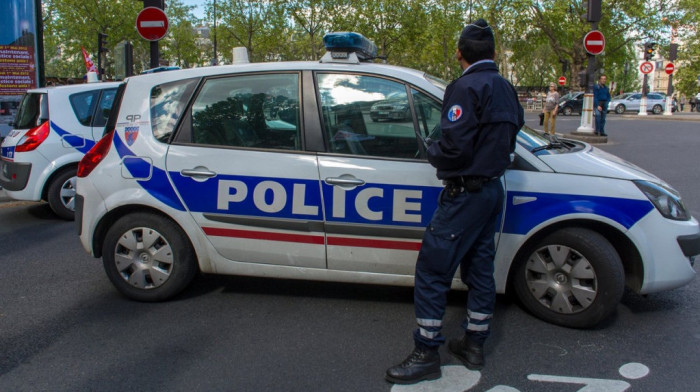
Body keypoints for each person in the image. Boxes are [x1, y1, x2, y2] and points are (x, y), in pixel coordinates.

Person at [385, 18, 524, 385]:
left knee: (432, 271)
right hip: (493, 190)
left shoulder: (465, 87)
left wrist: (433, 151)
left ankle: (426, 353)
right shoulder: (506, 87)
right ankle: (474, 344)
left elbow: (454, 148)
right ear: (492, 53)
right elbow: (513, 132)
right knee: (480, 268)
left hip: (465, 195)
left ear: (460, 53)